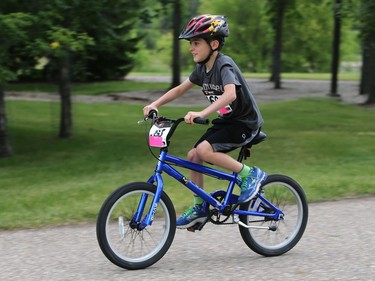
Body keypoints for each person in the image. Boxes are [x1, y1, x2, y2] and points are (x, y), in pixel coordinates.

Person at [143, 14, 267, 229]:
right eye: (190, 43)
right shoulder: (202, 69)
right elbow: (180, 89)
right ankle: (200, 208)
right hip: (228, 121)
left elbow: (230, 95)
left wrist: (202, 112)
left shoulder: (223, 65)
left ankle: (250, 175)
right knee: (193, 155)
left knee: (205, 150)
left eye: (196, 42)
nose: (191, 48)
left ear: (214, 44)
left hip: (245, 123)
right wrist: (155, 104)